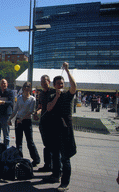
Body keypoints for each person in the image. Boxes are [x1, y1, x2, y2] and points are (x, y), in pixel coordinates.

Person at [45, 62, 77, 192]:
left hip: (65, 129)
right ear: (54, 85)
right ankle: (55, 175)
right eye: (58, 83)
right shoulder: (53, 95)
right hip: (54, 129)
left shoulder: (68, 95)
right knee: (55, 154)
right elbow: (48, 108)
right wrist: (56, 97)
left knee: (65, 157)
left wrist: (67, 71)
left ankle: (65, 183)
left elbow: (74, 86)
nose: (61, 85)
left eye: (62, 83)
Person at [8, 81, 40, 167]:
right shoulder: (19, 98)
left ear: (30, 89)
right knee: (18, 141)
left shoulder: (32, 99)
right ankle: (19, 158)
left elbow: (30, 111)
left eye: (28, 87)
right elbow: (15, 110)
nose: (26, 88)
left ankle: (36, 159)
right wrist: (10, 118)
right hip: (18, 120)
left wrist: (22, 119)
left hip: (26, 121)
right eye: (25, 87)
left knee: (30, 141)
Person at [33, 75, 56, 172]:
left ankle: (56, 167)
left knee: (54, 146)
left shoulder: (54, 92)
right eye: (41, 81)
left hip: (53, 122)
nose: (43, 83)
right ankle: (47, 165)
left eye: (44, 81)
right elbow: (40, 106)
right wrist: (36, 113)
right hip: (43, 122)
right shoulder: (41, 94)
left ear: (49, 82)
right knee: (46, 145)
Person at [0, 79, 14, 149]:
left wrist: (3, 102)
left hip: (6, 115)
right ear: (0, 85)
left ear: (7, 84)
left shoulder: (10, 92)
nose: (3, 85)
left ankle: (6, 150)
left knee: (6, 135)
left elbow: (11, 102)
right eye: (2, 83)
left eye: (4, 83)